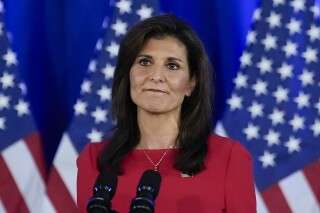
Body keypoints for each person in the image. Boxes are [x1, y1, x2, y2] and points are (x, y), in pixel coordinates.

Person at [77, 14, 256, 212]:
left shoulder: (229, 158)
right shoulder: (96, 159)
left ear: (191, 84)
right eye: (145, 62)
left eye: (172, 66)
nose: (156, 76)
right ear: (128, 75)